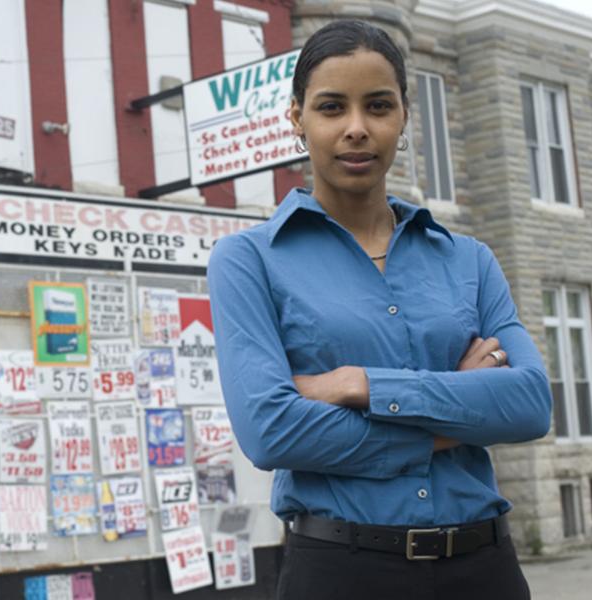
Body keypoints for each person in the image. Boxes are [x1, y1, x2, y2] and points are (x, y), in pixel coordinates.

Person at [207, 19, 551, 600]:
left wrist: (357, 383)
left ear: (404, 118)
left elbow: (529, 404)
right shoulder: (248, 261)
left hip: (484, 567)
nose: (357, 129)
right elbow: (271, 431)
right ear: (297, 119)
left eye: (378, 106)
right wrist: (453, 412)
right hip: (343, 570)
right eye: (332, 107)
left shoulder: (467, 259)